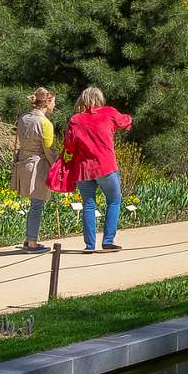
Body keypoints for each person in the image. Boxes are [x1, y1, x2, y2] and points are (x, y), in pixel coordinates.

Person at [63, 87, 133, 253]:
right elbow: (126, 121)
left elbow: (69, 145)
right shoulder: (109, 113)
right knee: (114, 201)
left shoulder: (76, 119)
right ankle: (108, 240)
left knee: (88, 204)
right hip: (105, 166)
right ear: (100, 99)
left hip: (84, 169)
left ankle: (89, 245)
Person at [12, 88, 57, 252]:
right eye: (53, 102)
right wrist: (57, 165)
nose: (54, 105)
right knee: (37, 205)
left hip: (24, 163)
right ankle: (32, 242)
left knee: (34, 205)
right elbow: (49, 149)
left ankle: (29, 239)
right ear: (46, 102)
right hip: (38, 167)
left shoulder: (23, 118)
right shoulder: (45, 123)